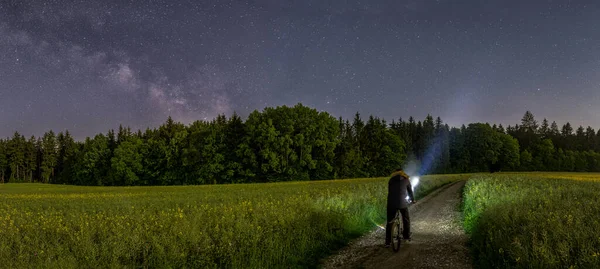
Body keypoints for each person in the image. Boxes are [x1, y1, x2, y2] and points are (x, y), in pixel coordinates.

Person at [385, 169, 416, 247]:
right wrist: (412, 200)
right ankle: (406, 236)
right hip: (402, 203)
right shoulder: (406, 180)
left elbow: (390, 191)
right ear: (403, 173)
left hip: (391, 203)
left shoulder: (391, 180)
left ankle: (387, 242)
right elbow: (410, 191)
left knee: (390, 221)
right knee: (406, 219)